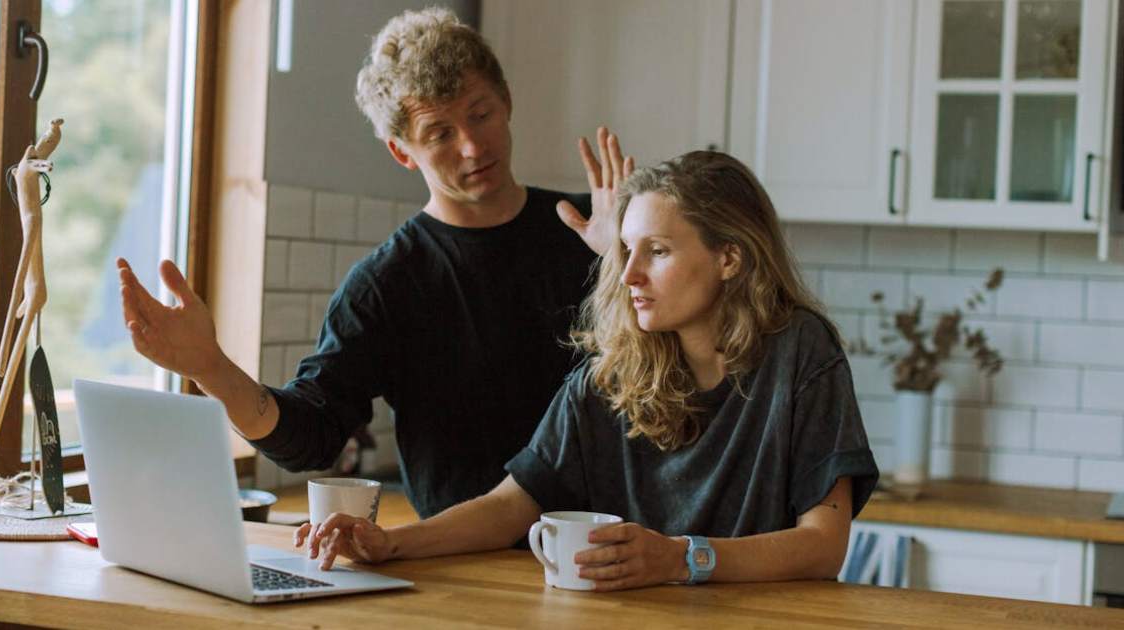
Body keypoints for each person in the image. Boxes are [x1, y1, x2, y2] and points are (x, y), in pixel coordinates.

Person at [115, 7, 632, 519]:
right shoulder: (387, 284)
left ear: (507, 102)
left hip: (617, 547)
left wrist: (624, 261)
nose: (473, 146)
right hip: (465, 566)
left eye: (480, 114)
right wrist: (211, 368)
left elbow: (687, 373)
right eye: (440, 134)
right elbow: (313, 439)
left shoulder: (594, 231)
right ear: (402, 153)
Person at [297, 151, 880, 591]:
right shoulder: (613, 370)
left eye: (657, 251)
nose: (628, 276)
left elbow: (822, 547)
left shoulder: (800, 350)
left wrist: (681, 557)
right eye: (625, 251)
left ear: (729, 257)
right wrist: (390, 544)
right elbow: (511, 505)